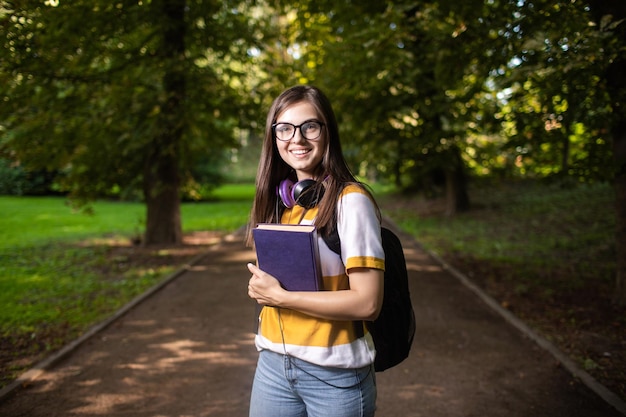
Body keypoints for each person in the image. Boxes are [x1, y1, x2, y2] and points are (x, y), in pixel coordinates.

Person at [246, 85, 385, 417]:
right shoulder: (282, 201)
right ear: (274, 137)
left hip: (335, 376)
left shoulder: (350, 201)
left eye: (310, 126)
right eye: (285, 128)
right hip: (273, 367)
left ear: (327, 132)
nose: (297, 138)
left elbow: (368, 303)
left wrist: (281, 298)